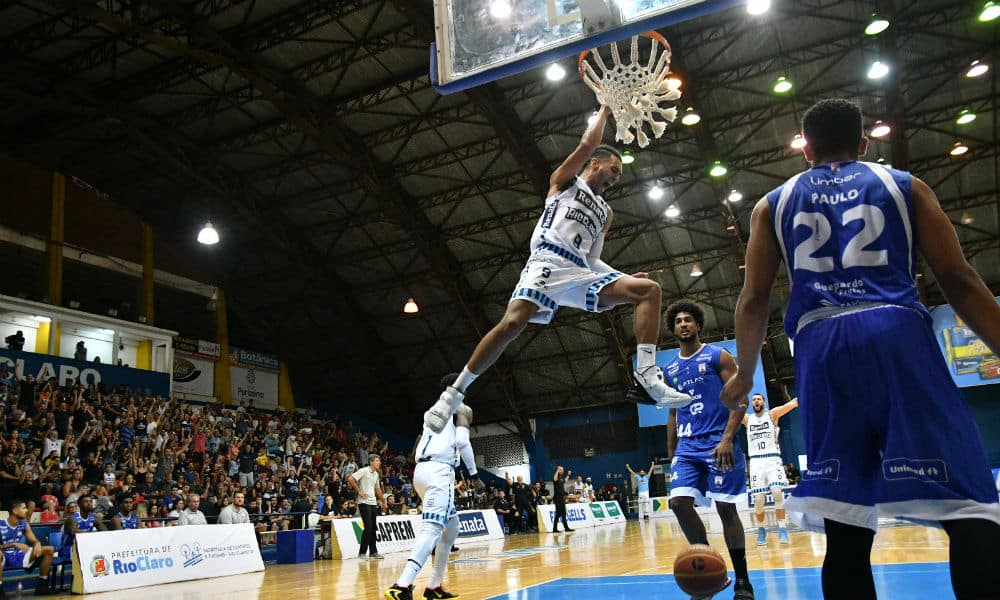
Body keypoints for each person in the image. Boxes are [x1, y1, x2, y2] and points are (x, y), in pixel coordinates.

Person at [722, 97, 1000, 600]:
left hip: (820, 346)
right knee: (968, 507)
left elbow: (754, 298)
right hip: (896, 333)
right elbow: (957, 278)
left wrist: (744, 372)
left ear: (805, 148)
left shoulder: (773, 203)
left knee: (845, 521)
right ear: (864, 143)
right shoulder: (905, 186)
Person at [423, 105, 692, 434]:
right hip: (548, 260)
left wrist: (623, 277)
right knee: (512, 324)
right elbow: (586, 145)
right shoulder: (565, 183)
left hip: (580, 271)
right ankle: (453, 394)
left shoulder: (606, 214)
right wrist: (605, 110)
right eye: (615, 169)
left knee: (648, 291)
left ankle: (647, 374)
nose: (617, 177)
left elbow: (593, 259)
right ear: (596, 164)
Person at [665, 300, 753, 600]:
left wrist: (728, 437)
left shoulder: (719, 355)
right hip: (687, 446)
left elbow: (739, 397)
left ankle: (742, 580)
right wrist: (672, 452)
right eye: (678, 321)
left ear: (698, 325)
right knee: (677, 503)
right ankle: (710, 572)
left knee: (725, 508)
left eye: (688, 320)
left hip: (718, 442)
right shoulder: (671, 368)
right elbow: (673, 414)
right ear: (673, 329)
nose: (683, 324)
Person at [384, 375, 482, 600]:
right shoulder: (463, 410)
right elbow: (462, 442)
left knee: (452, 527)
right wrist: (474, 476)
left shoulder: (432, 410)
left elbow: (417, 445)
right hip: (440, 471)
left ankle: (434, 587)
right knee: (432, 529)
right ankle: (402, 584)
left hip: (420, 472)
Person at [742, 392, 798, 546]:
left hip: (772, 459)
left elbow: (791, 404)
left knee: (777, 492)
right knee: (759, 500)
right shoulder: (747, 419)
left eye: (758, 399)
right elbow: (729, 411)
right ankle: (761, 529)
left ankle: (782, 528)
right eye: (754, 400)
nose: (756, 401)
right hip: (756, 462)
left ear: (764, 402)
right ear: (752, 404)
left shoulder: (772, 414)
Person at [0, 499, 55, 596]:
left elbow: (34, 540)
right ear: (15, 511)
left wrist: (37, 543)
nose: (26, 510)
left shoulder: (23, 523)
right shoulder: (1, 524)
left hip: (19, 555)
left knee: (49, 550)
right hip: (3, 556)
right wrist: (13, 544)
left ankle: (42, 586)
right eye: (24, 508)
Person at [348, 455, 386, 560]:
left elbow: (377, 490)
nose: (379, 462)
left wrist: (384, 501)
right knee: (368, 527)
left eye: (379, 461)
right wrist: (359, 491)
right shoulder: (364, 471)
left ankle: (373, 552)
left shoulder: (376, 474)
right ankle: (362, 553)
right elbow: (351, 478)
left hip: (373, 503)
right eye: (377, 461)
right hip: (363, 502)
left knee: (373, 527)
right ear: (371, 462)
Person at [551, 466, 573, 533]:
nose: (562, 471)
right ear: (558, 470)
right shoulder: (556, 477)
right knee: (558, 513)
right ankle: (555, 529)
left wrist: (568, 475)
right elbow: (554, 479)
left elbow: (565, 481)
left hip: (561, 498)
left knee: (563, 513)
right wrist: (557, 470)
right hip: (557, 498)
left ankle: (566, 528)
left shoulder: (560, 478)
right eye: (560, 469)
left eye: (562, 470)